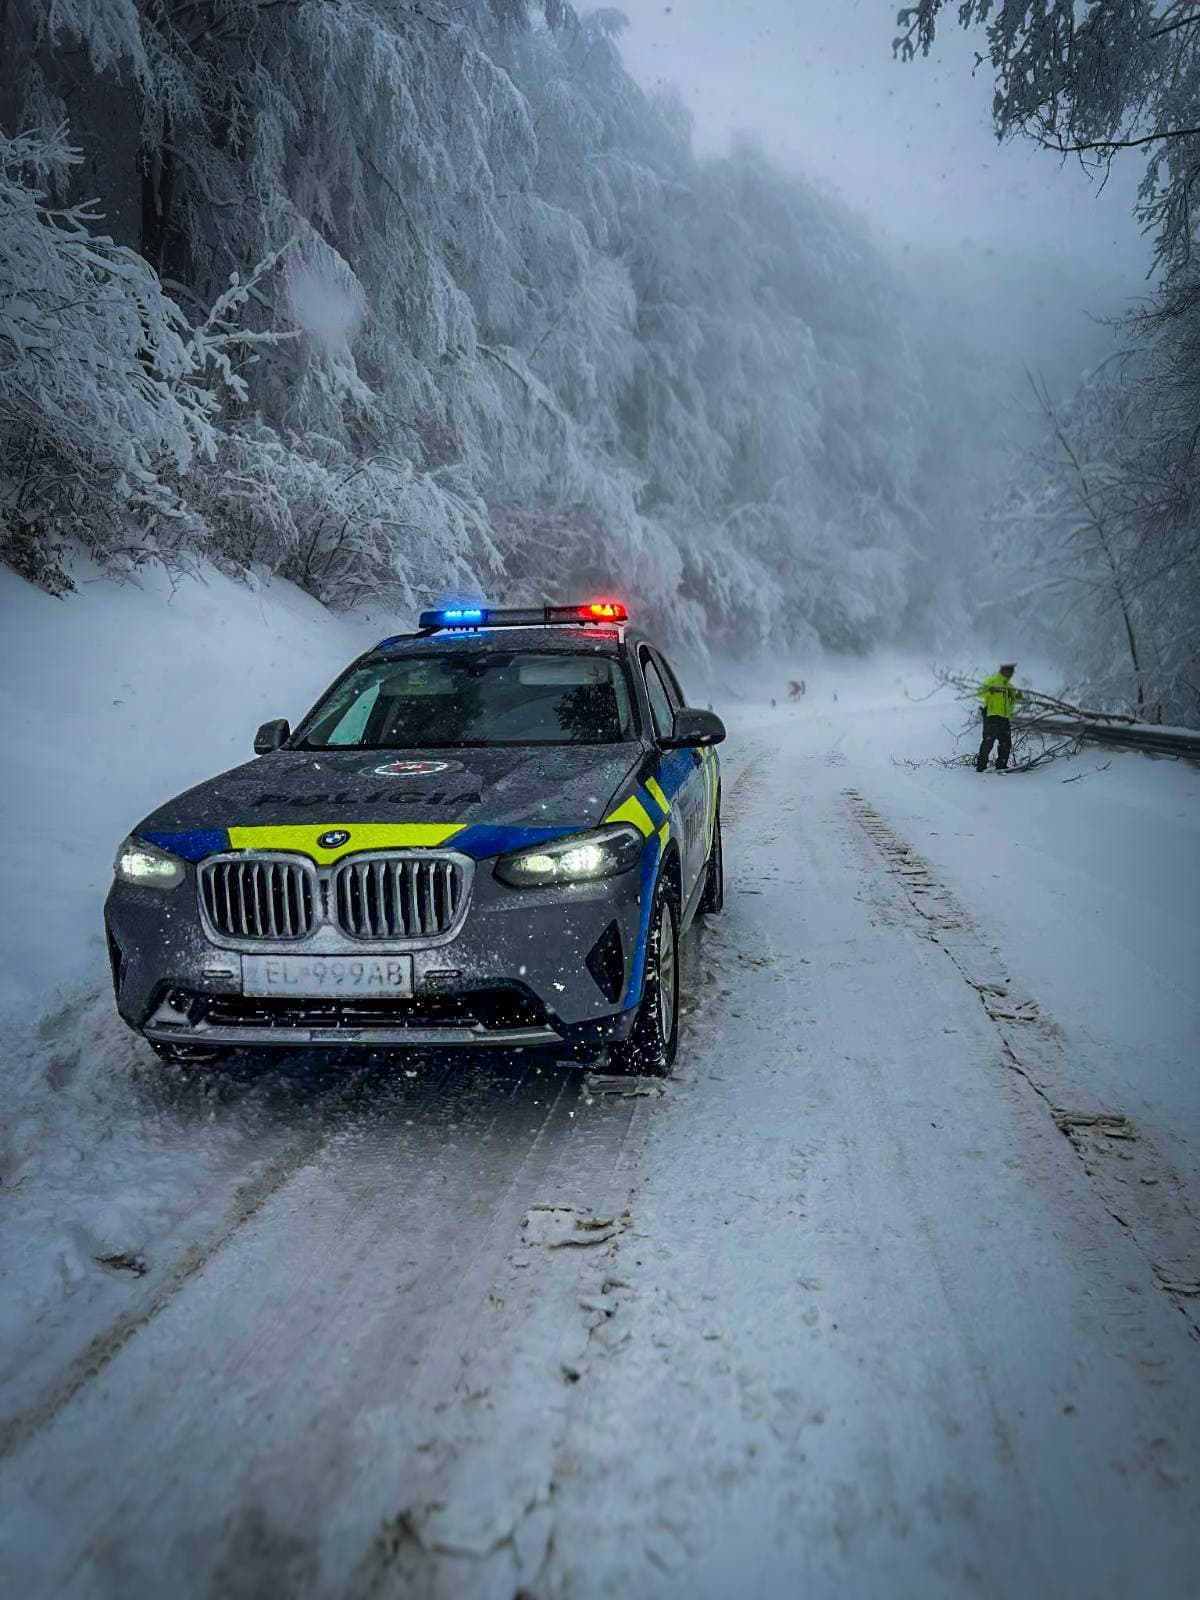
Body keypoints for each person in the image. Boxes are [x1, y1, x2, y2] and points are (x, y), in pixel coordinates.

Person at [976, 663, 1021, 772]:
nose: (1011, 674)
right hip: (992, 716)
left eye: (1012, 672)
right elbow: (979, 693)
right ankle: (981, 766)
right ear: (1003, 670)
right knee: (988, 741)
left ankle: (1001, 766)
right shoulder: (992, 681)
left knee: (1006, 743)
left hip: (1005, 718)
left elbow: (1014, 701)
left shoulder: (1009, 686)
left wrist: (1019, 696)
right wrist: (988, 691)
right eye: (1010, 671)